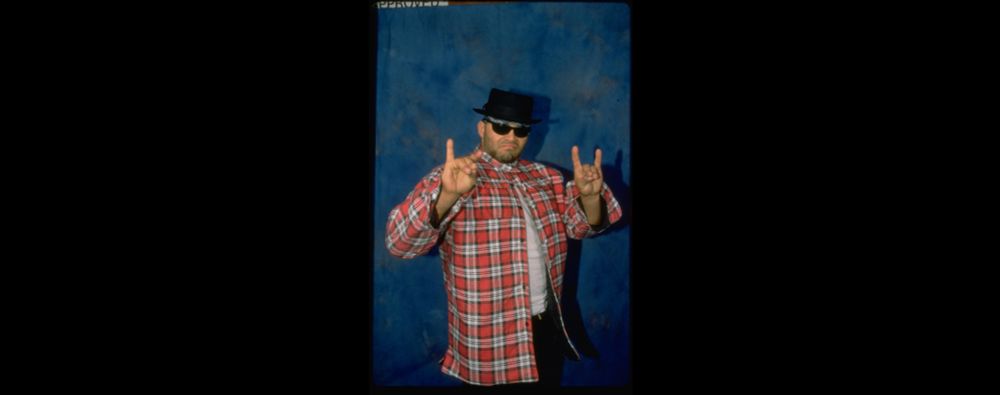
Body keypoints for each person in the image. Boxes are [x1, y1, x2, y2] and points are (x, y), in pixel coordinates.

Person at [385, 88, 622, 387]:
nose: (511, 136)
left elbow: (580, 227)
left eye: (521, 130)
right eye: (500, 126)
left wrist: (589, 199)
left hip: (544, 329)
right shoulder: (453, 176)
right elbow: (398, 243)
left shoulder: (547, 178)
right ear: (482, 128)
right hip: (488, 342)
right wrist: (446, 196)